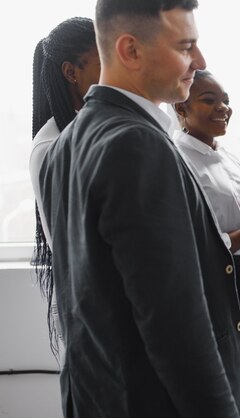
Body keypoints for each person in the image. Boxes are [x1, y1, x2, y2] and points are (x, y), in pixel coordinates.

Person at [38, 1, 240, 417]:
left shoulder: (67, 142)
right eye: (185, 47)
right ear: (130, 50)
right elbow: (176, 326)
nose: (199, 60)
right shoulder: (137, 145)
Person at [173, 70, 240, 418]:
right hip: (216, 280)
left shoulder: (227, 156)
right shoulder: (180, 160)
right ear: (181, 109)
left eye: (225, 100)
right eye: (209, 100)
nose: (222, 107)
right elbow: (203, 246)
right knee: (225, 379)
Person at [29, 17, 100, 358]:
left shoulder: (94, 131)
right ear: (72, 72)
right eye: (106, 62)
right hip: (94, 317)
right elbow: (72, 251)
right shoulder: (51, 147)